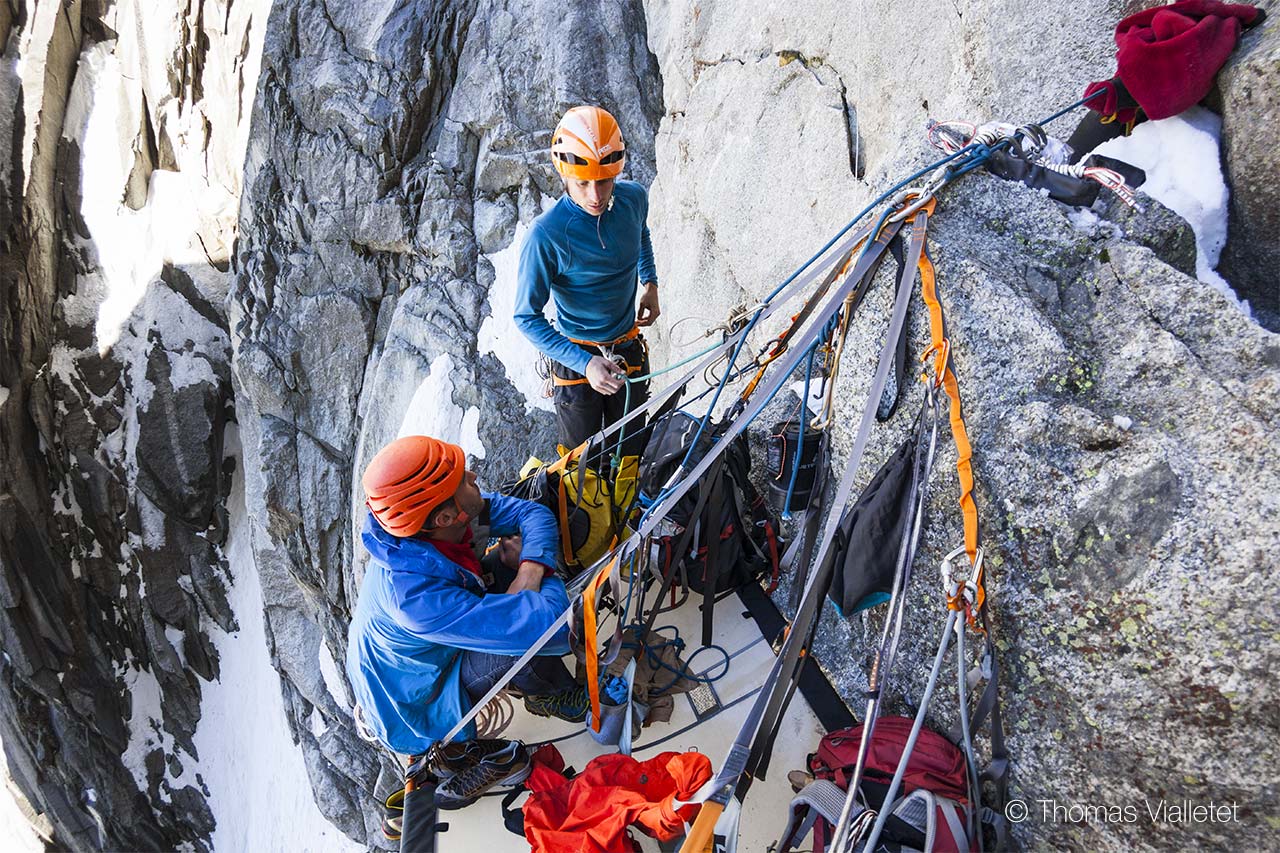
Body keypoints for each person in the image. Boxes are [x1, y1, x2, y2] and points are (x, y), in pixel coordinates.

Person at [346, 435, 588, 810]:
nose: (474, 476)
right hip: (417, 704)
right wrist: (539, 575)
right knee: (517, 646)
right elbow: (556, 632)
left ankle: (533, 669)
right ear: (445, 516)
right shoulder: (417, 601)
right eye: (464, 478)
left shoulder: (438, 522)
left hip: (410, 668)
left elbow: (532, 514)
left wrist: (531, 568)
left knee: (516, 597)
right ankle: (548, 696)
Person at [515, 105, 660, 457]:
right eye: (583, 184)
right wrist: (586, 363)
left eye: (605, 181)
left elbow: (640, 233)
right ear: (564, 176)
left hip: (627, 351)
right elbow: (526, 317)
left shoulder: (633, 199)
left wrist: (650, 283)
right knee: (582, 466)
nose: (595, 196)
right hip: (577, 360)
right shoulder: (546, 236)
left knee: (631, 453)